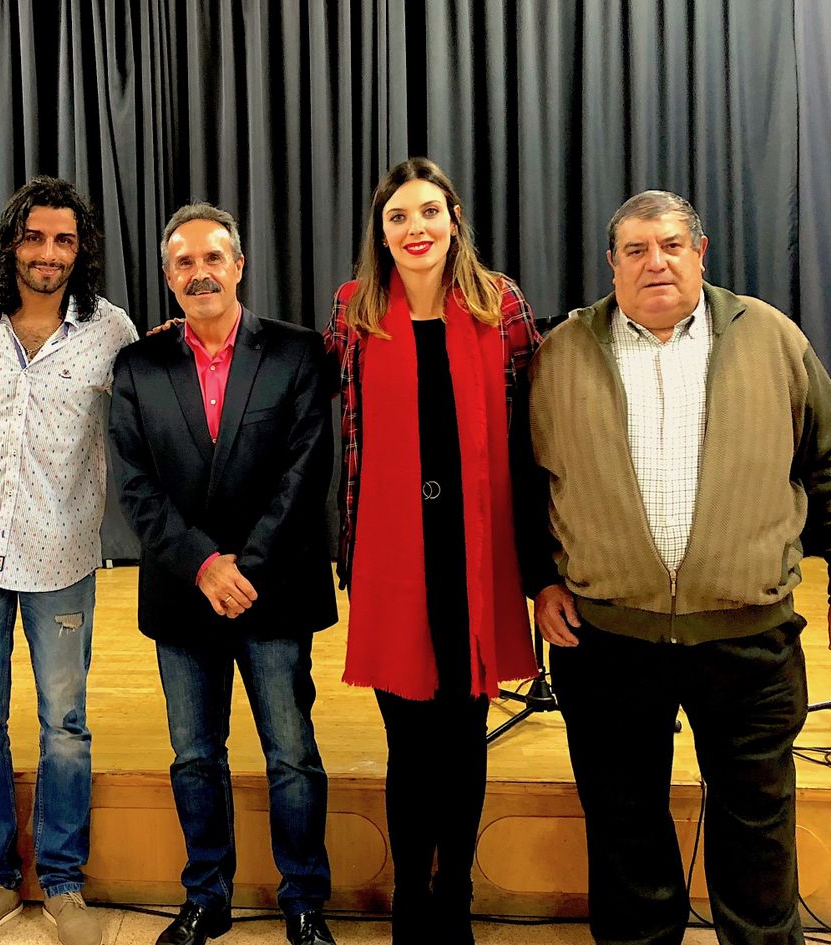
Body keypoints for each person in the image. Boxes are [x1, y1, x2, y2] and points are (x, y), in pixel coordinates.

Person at [530, 190, 831, 945]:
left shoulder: (772, 338)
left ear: (700, 252)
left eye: (669, 244)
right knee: (624, 823)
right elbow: (524, 480)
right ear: (613, 264)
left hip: (749, 640)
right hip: (607, 643)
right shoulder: (560, 351)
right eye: (634, 249)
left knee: (755, 827)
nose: (653, 261)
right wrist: (541, 575)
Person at [323, 157, 555, 943]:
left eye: (428, 211)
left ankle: (452, 894)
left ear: (453, 218)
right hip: (390, 559)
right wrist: (188, 336)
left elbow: (540, 424)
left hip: (477, 557)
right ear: (381, 234)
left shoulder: (503, 306)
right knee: (407, 741)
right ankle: (409, 899)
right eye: (398, 217)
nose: (415, 227)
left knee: (461, 738)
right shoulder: (355, 313)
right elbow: (286, 378)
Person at [109, 203, 338, 945]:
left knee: (292, 757)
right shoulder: (139, 364)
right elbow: (136, 483)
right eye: (184, 262)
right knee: (195, 757)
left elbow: (307, 474)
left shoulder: (299, 353)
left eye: (214, 258)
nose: (200, 272)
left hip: (273, 590)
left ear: (239, 265)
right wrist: (203, 562)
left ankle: (304, 899)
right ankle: (205, 895)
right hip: (182, 591)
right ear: (168, 276)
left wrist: (247, 566)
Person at [0, 176, 138, 945]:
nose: (48, 253)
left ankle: (63, 882)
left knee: (65, 725)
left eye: (64, 239)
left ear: (81, 249)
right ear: (12, 240)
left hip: (63, 556)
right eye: (35, 236)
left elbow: (151, 422)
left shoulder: (111, 330)